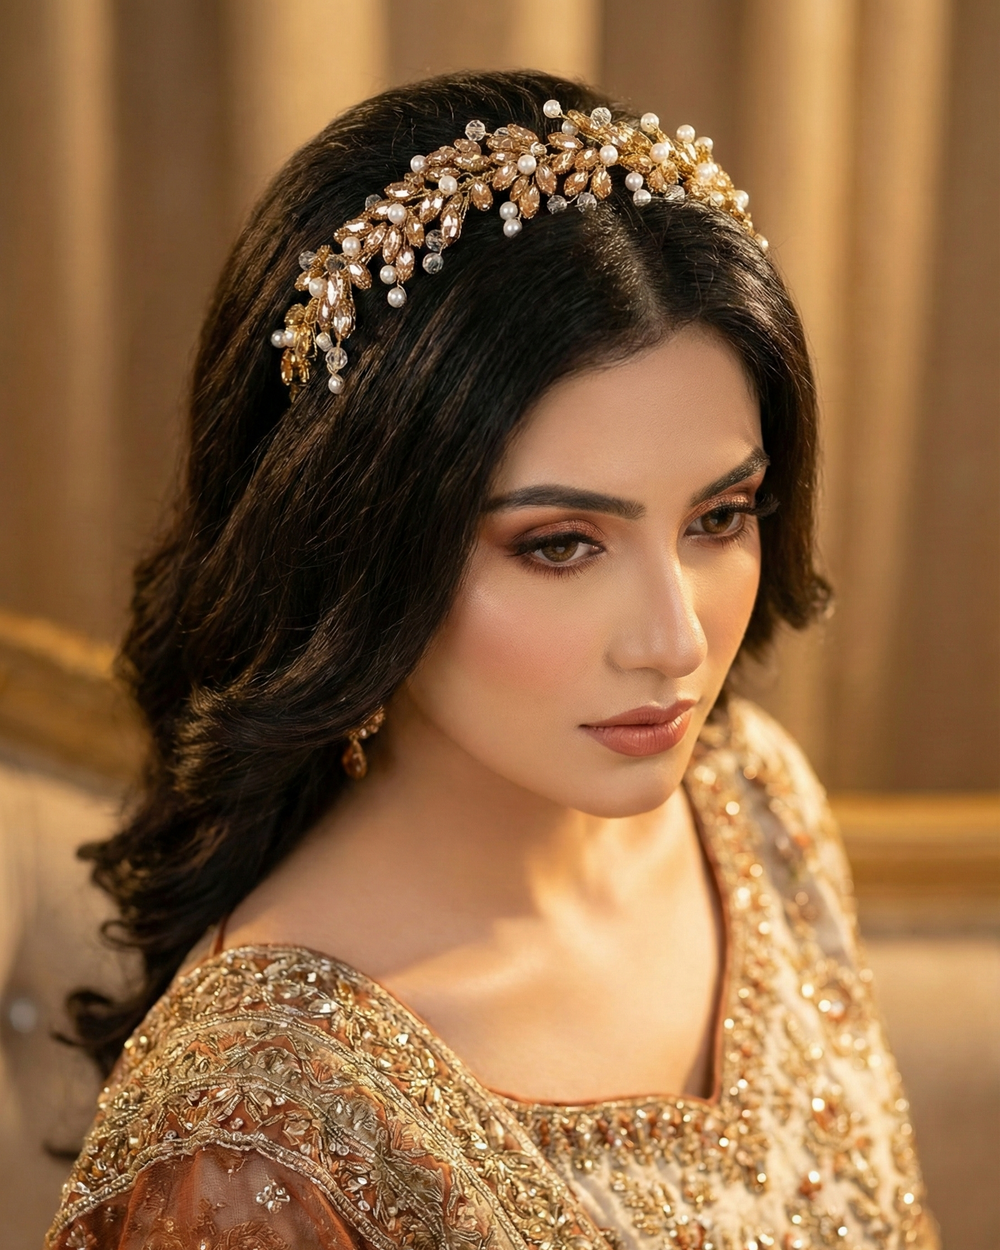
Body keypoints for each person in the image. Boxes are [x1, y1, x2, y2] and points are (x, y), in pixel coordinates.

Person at [46, 70, 936, 1250]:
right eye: (560, 544)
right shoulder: (254, 1125)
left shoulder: (754, 801)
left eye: (718, 518)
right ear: (358, 543)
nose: (673, 640)